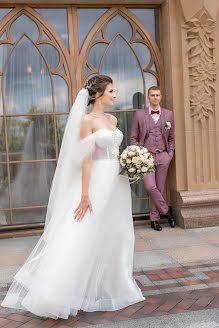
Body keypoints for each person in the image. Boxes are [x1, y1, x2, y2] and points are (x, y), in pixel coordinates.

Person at [1, 75, 145, 319]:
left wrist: (132, 163)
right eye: (111, 91)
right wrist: (85, 195)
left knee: (116, 231)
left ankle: (111, 285)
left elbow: (115, 151)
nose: (114, 95)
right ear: (98, 94)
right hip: (98, 180)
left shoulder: (112, 118)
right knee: (85, 231)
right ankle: (62, 290)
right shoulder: (86, 121)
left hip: (117, 183)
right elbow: (86, 160)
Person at [130, 86, 176, 231]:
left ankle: (154, 219)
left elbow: (172, 137)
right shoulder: (139, 115)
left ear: (161, 97)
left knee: (160, 188)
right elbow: (133, 138)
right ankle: (167, 212)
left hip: (163, 155)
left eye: (157, 95)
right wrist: (139, 155)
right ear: (148, 97)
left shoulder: (169, 115)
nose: (155, 97)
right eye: (152, 95)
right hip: (146, 156)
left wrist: (170, 154)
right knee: (150, 186)